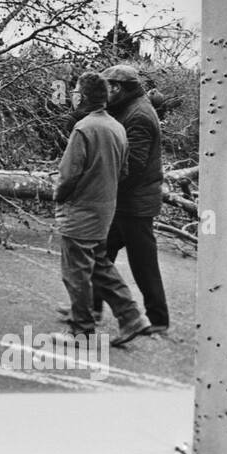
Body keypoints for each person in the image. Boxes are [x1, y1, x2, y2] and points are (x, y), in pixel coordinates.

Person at [53, 71, 150, 345]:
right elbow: (124, 169)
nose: (71, 94)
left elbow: (69, 174)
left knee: (75, 272)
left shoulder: (84, 128)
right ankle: (131, 317)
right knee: (100, 266)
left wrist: (59, 196)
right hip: (104, 210)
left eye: (74, 90)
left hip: (80, 213)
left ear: (82, 97)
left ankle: (80, 329)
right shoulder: (116, 127)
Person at [91, 63, 170, 335]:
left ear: (117, 87)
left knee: (142, 264)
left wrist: (101, 184)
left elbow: (134, 166)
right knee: (99, 254)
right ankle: (91, 308)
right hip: (127, 200)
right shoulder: (127, 107)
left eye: (106, 87)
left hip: (134, 203)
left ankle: (157, 319)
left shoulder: (138, 115)